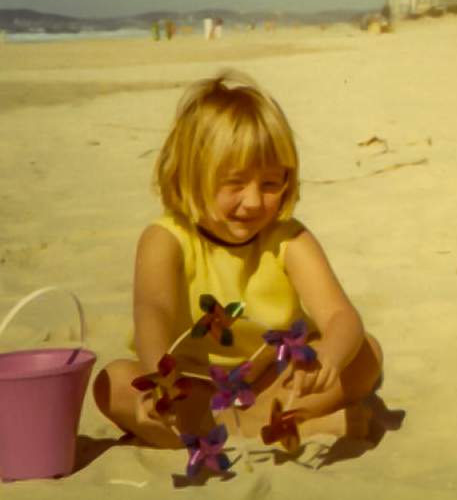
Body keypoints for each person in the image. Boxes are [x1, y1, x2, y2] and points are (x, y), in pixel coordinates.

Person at [94, 71, 383, 447]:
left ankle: (255, 419)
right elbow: (154, 313)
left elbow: (341, 316)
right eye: (234, 183)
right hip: (188, 383)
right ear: (190, 175)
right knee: (111, 383)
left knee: (365, 355)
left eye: (269, 184)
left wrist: (329, 355)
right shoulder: (165, 239)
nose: (252, 202)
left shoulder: (289, 238)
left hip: (270, 377)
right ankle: (273, 426)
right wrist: (158, 380)